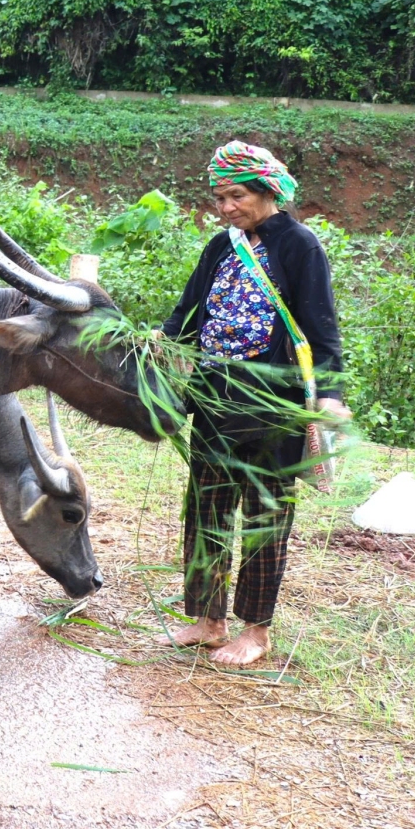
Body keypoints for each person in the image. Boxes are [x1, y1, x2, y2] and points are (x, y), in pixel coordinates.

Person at [156, 140, 350, 666]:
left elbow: (321, 326)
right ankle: (208, 619)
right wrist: (159, 344)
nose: (226, 208)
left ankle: (256, 631)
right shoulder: (222, 245)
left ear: (268, 191)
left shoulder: (299, 245)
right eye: (219, 198)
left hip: (272, 402)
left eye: (236, 196)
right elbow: (188, 312)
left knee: (265, 515)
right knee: (206, 510)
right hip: (214, 398)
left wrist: (330, 394)